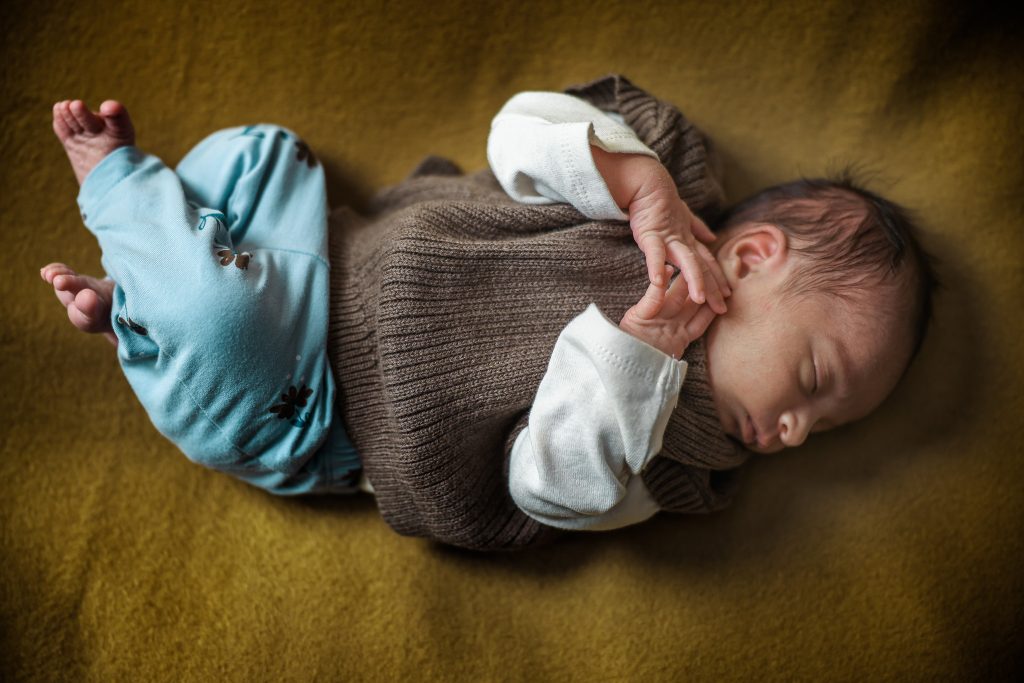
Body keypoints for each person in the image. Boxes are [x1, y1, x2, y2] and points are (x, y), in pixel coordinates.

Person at [40, 74, 940, 550]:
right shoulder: (666, 178)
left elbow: (547, 493)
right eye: (815, 382)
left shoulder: (680, 456)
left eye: (821, 428)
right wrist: (639, 189)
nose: (790, 431)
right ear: (750, 258)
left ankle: (128, 217)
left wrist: (635, 357)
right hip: (322, 244)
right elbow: (518, 130)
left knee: (218, 315)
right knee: (261, 150)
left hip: (304, 401)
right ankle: (149, 304)